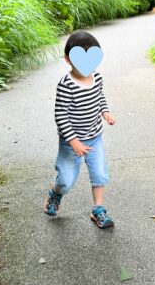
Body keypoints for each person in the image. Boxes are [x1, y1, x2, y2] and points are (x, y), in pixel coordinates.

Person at [45, 30, 117, 228]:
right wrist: (73, 141)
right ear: (68, 59)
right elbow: (60, 115)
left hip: (94, 137)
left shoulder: (97, 78)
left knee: (100, 173)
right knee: (66, 180)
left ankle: (98, 210)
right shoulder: (66, 85)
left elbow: (100, 96)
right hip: (71, 142)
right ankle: (55, 194)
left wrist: (105, 112)